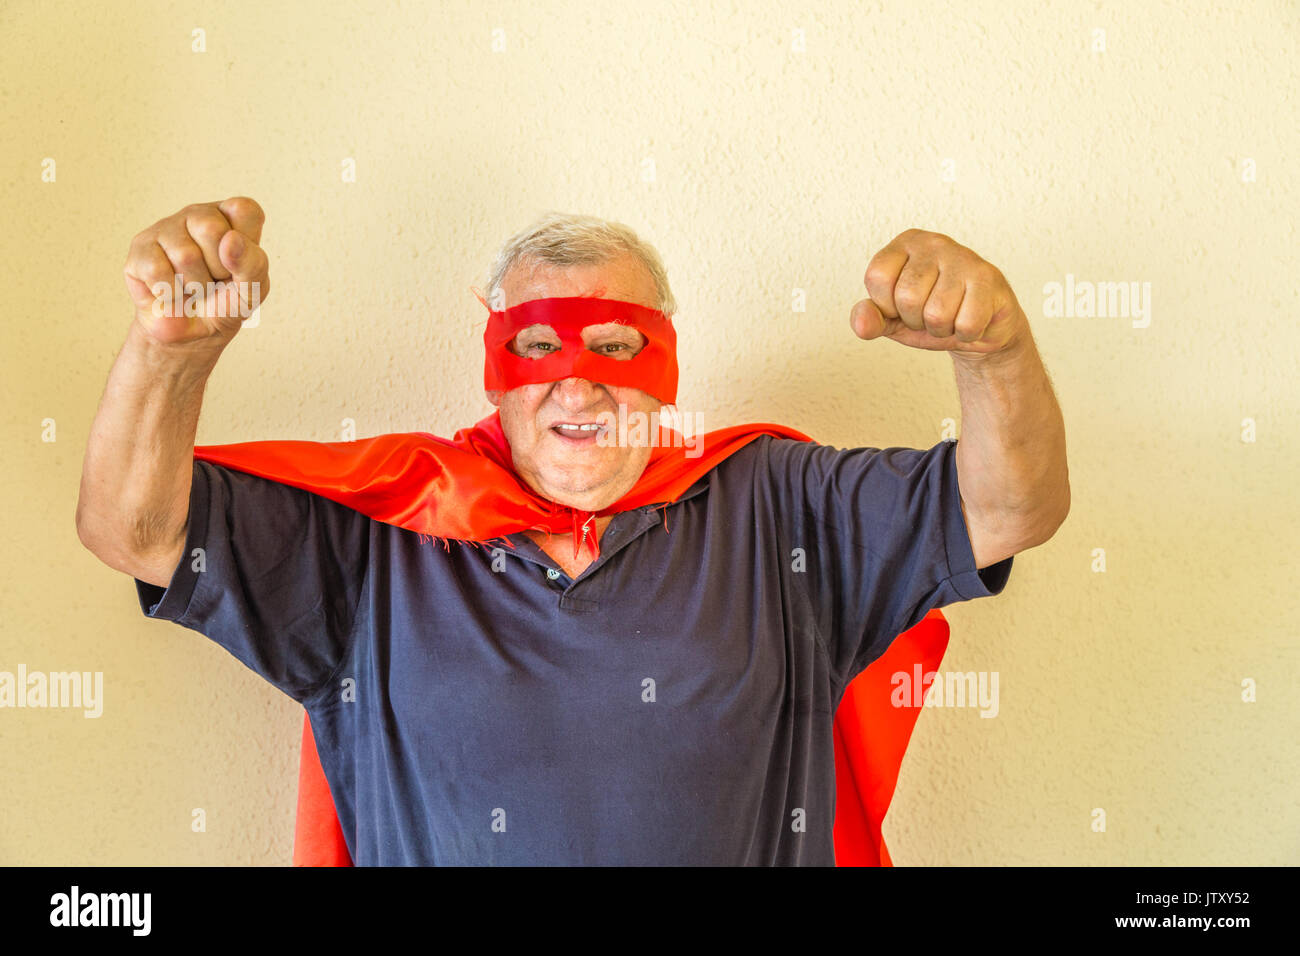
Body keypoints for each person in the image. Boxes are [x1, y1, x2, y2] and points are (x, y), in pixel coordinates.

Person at [76, 198, 1069, 865]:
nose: (577, 377)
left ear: (665, 363)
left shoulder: (781, 506)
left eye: (614, 342)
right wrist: (171, 357)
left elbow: (1010, 507)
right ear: (494, 367)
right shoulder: (375, 534)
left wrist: (995, 352)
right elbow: (132, 528)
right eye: (537, 342)